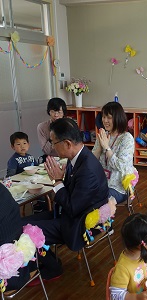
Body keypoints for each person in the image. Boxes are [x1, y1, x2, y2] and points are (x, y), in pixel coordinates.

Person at [28, 118, 109, 252]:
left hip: (77, 225)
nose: (52, 147)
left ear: (67, 143)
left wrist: (58, 181)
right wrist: (60, 179)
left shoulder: (87, 169)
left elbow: (72, 207)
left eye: (54, 143)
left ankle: (52, 267)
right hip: (68, 214)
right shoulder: (81, 157)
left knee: (25, 231)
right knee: (20, 224)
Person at [0, 184, 62, 290]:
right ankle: (52, 264)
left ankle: (53, 266)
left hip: (9, 277)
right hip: (22, 262)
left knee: (33, 230)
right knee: (31, 230)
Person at [109, 213, 147, 300]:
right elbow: (115, 295)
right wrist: (137, 297)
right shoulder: (122, 268)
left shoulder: (143, 254)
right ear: (142, 244)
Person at [92, 101, 135, 204]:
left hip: (118, 187)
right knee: (81, 192)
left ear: (117, 118)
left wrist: (106, 147)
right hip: (101, 183)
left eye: (109, 118)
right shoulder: (103, 135)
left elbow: (120, 165)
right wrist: (99, 148)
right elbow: (92, 162)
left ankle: (101, 219)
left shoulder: (126, 138)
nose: (105, 120)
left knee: (97, 200)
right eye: (103, 117)